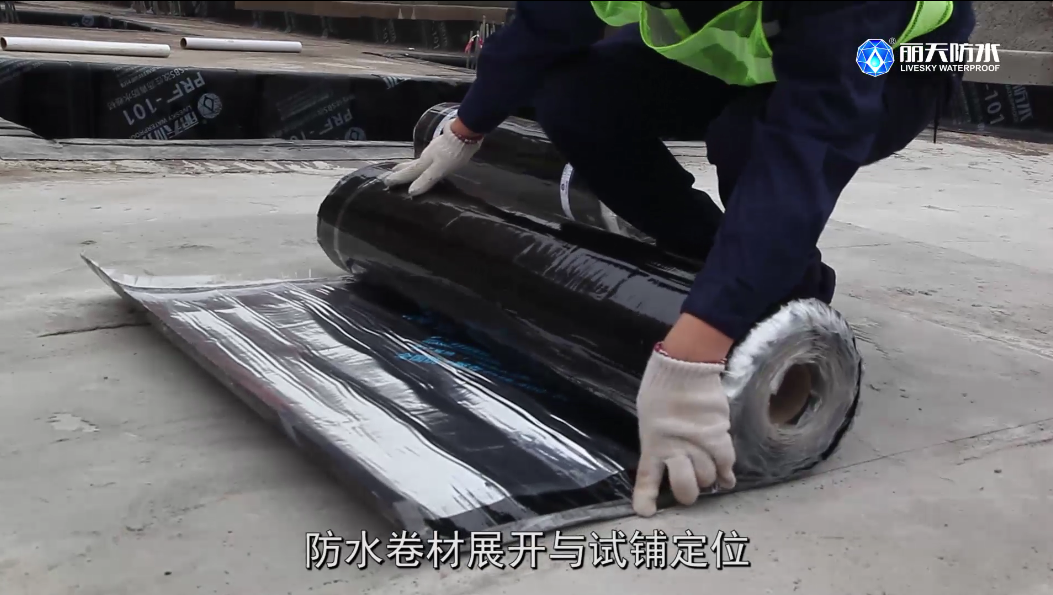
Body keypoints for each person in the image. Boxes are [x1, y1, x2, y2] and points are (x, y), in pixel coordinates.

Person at [385, 1, 975, 517]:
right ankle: (718, 264)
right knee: (574, 97)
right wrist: (466, 127)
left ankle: (783, 308)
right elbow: (545, 25)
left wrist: (694, 353)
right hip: (757, 51)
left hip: (893, 59)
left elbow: (806, 150)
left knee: (751, 141)